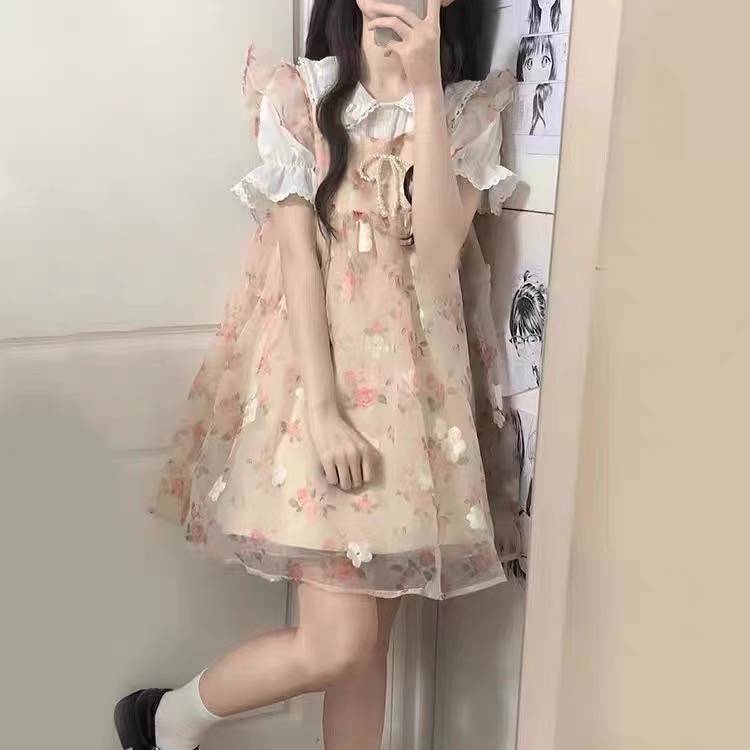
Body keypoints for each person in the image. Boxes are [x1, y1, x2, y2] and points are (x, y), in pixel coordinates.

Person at [114, 1, 519, 748]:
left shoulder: (466, 111)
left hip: (415, 407)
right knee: (337, 645)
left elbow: (435, 258)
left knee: (366, 653)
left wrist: (427, 92)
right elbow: (297, 262)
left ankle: (167, 723)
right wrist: (325, 413)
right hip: (314, 389)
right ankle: (167, 719)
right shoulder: (301, 95)